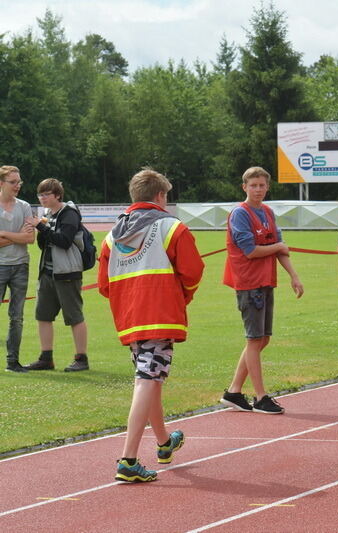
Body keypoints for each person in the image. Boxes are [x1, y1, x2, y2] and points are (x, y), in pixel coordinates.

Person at [97, 168, 204, 483]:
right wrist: (179, 296)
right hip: (159, 314)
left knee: (150, 377)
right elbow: (193, 271)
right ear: (160, 196)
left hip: (129, 317)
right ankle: (128, 459)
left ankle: (163, 442)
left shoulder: (111, 235)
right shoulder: (172, 228)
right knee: (146, 381)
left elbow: (104, 285)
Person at [220, 167, 304, 414]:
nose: (257, 189)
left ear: (267, 187)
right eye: (253, 185)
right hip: (249, 283)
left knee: (262, 338)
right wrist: (278, 245)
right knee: (254, 339)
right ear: (244, 186)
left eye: (261, 185)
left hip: (266, 281)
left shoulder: (267, 212)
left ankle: (234, 391)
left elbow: (280, 248)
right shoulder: (240, 214)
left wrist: (294, 276)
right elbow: (250, 250)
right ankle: (260, 396)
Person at [24, 179, 90, 372]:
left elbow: (64, 240)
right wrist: (40, 230)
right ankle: (46, 358)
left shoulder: (69, 213)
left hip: (67, 272)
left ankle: (81, 358)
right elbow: (44, 244)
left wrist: (41, 227)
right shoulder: (47, 214)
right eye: (40, 194)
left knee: (74, 316)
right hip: (48, 272)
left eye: (46, 194)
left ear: (57, 195)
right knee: (43, 315)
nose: (42, 198)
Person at [0, 166, 35, 373]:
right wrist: (17, 236)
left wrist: (4, 233)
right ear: (1, 183)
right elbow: (22, 237)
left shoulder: (24, 207)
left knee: (17, 317)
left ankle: (13, 362)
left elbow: (30, 238)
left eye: (19, 182)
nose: (18, 186)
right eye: (13, 182)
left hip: (21, 265)